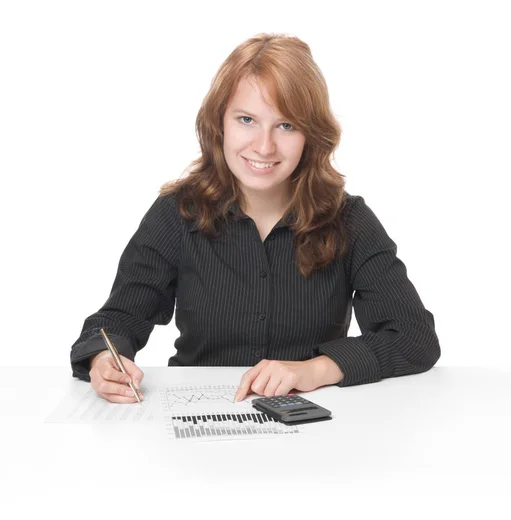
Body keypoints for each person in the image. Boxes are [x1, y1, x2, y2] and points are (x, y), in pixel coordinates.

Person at [69, 32, 441, 404]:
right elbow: (117, 320)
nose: (264, 146)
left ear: (310, 136)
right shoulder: (177, 212)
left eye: (286, 125)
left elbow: (414, 337)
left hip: (315, 428)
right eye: (247, 119)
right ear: (220, 123)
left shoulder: (349, 219)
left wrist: (314, 369)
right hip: (197, 424)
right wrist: (105, 359)